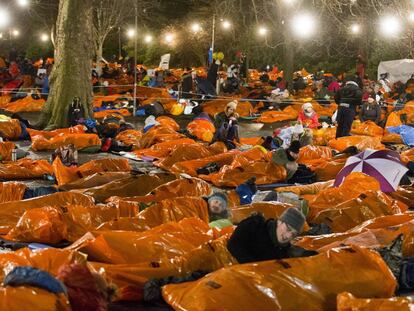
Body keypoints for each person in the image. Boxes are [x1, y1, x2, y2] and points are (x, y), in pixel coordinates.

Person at [227, 207, 306, 263]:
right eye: (288, 229)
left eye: (293, 234)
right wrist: (254, 267)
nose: (288, 236)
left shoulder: (283, 251)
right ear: (279, 222)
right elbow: (233, 245)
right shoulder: (254, 226)